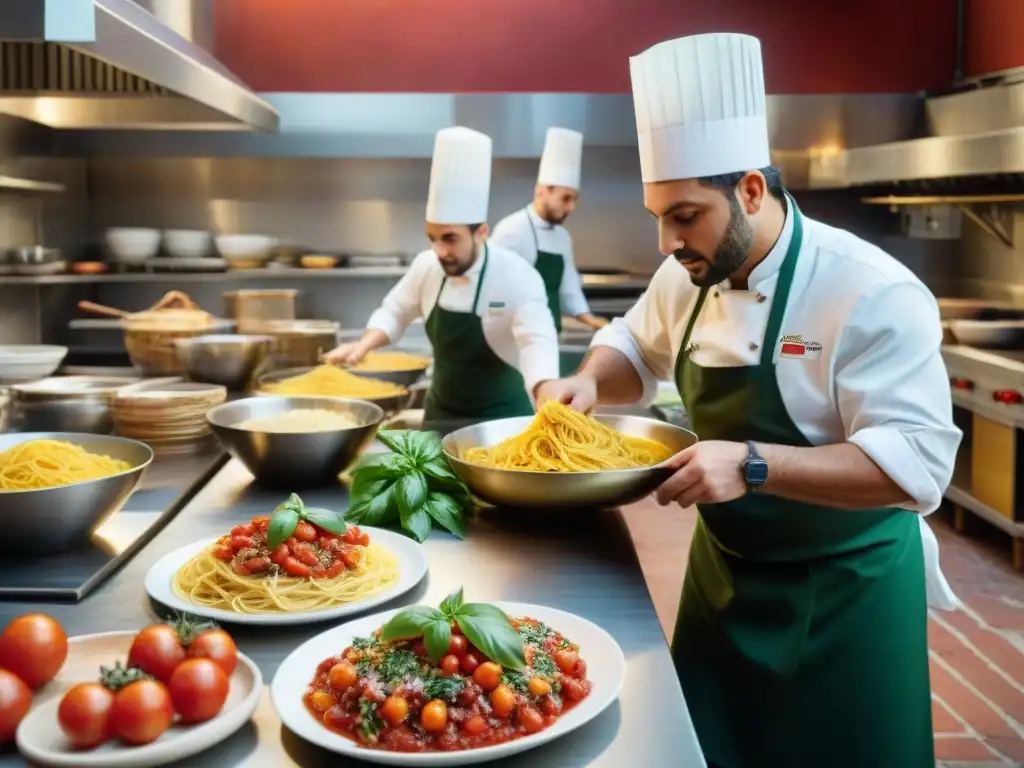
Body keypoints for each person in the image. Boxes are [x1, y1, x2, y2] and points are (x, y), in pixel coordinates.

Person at [537, 33, 962, 768]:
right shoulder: (688, 271)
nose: (668, 241)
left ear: (752, 191)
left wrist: (756, 465)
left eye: (685, 214)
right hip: (726, 581)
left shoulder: (872, 292)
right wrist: (589, 381)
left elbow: (916, 470)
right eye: (658, 218)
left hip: (846, 594)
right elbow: (635, 347)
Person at [327, 126, 558, 427]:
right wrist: (363, 346)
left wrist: (545, 391)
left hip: (501, 421)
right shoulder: (428, 266)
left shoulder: (516, 276)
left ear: (482, 233)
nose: (440, 251)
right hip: (439, 417)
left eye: (450, 239)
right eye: (432, 238)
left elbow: (536, 340)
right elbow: (396, 311)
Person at [490, 127, 608, 336]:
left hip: (551, 336)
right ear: (541, 192)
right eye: (565, 198)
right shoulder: (511, 231)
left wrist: (590, 320)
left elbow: (569, 288)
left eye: (574, 200)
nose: (572, 207)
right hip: (514, 340)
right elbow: (489, 291)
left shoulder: (563, 237)